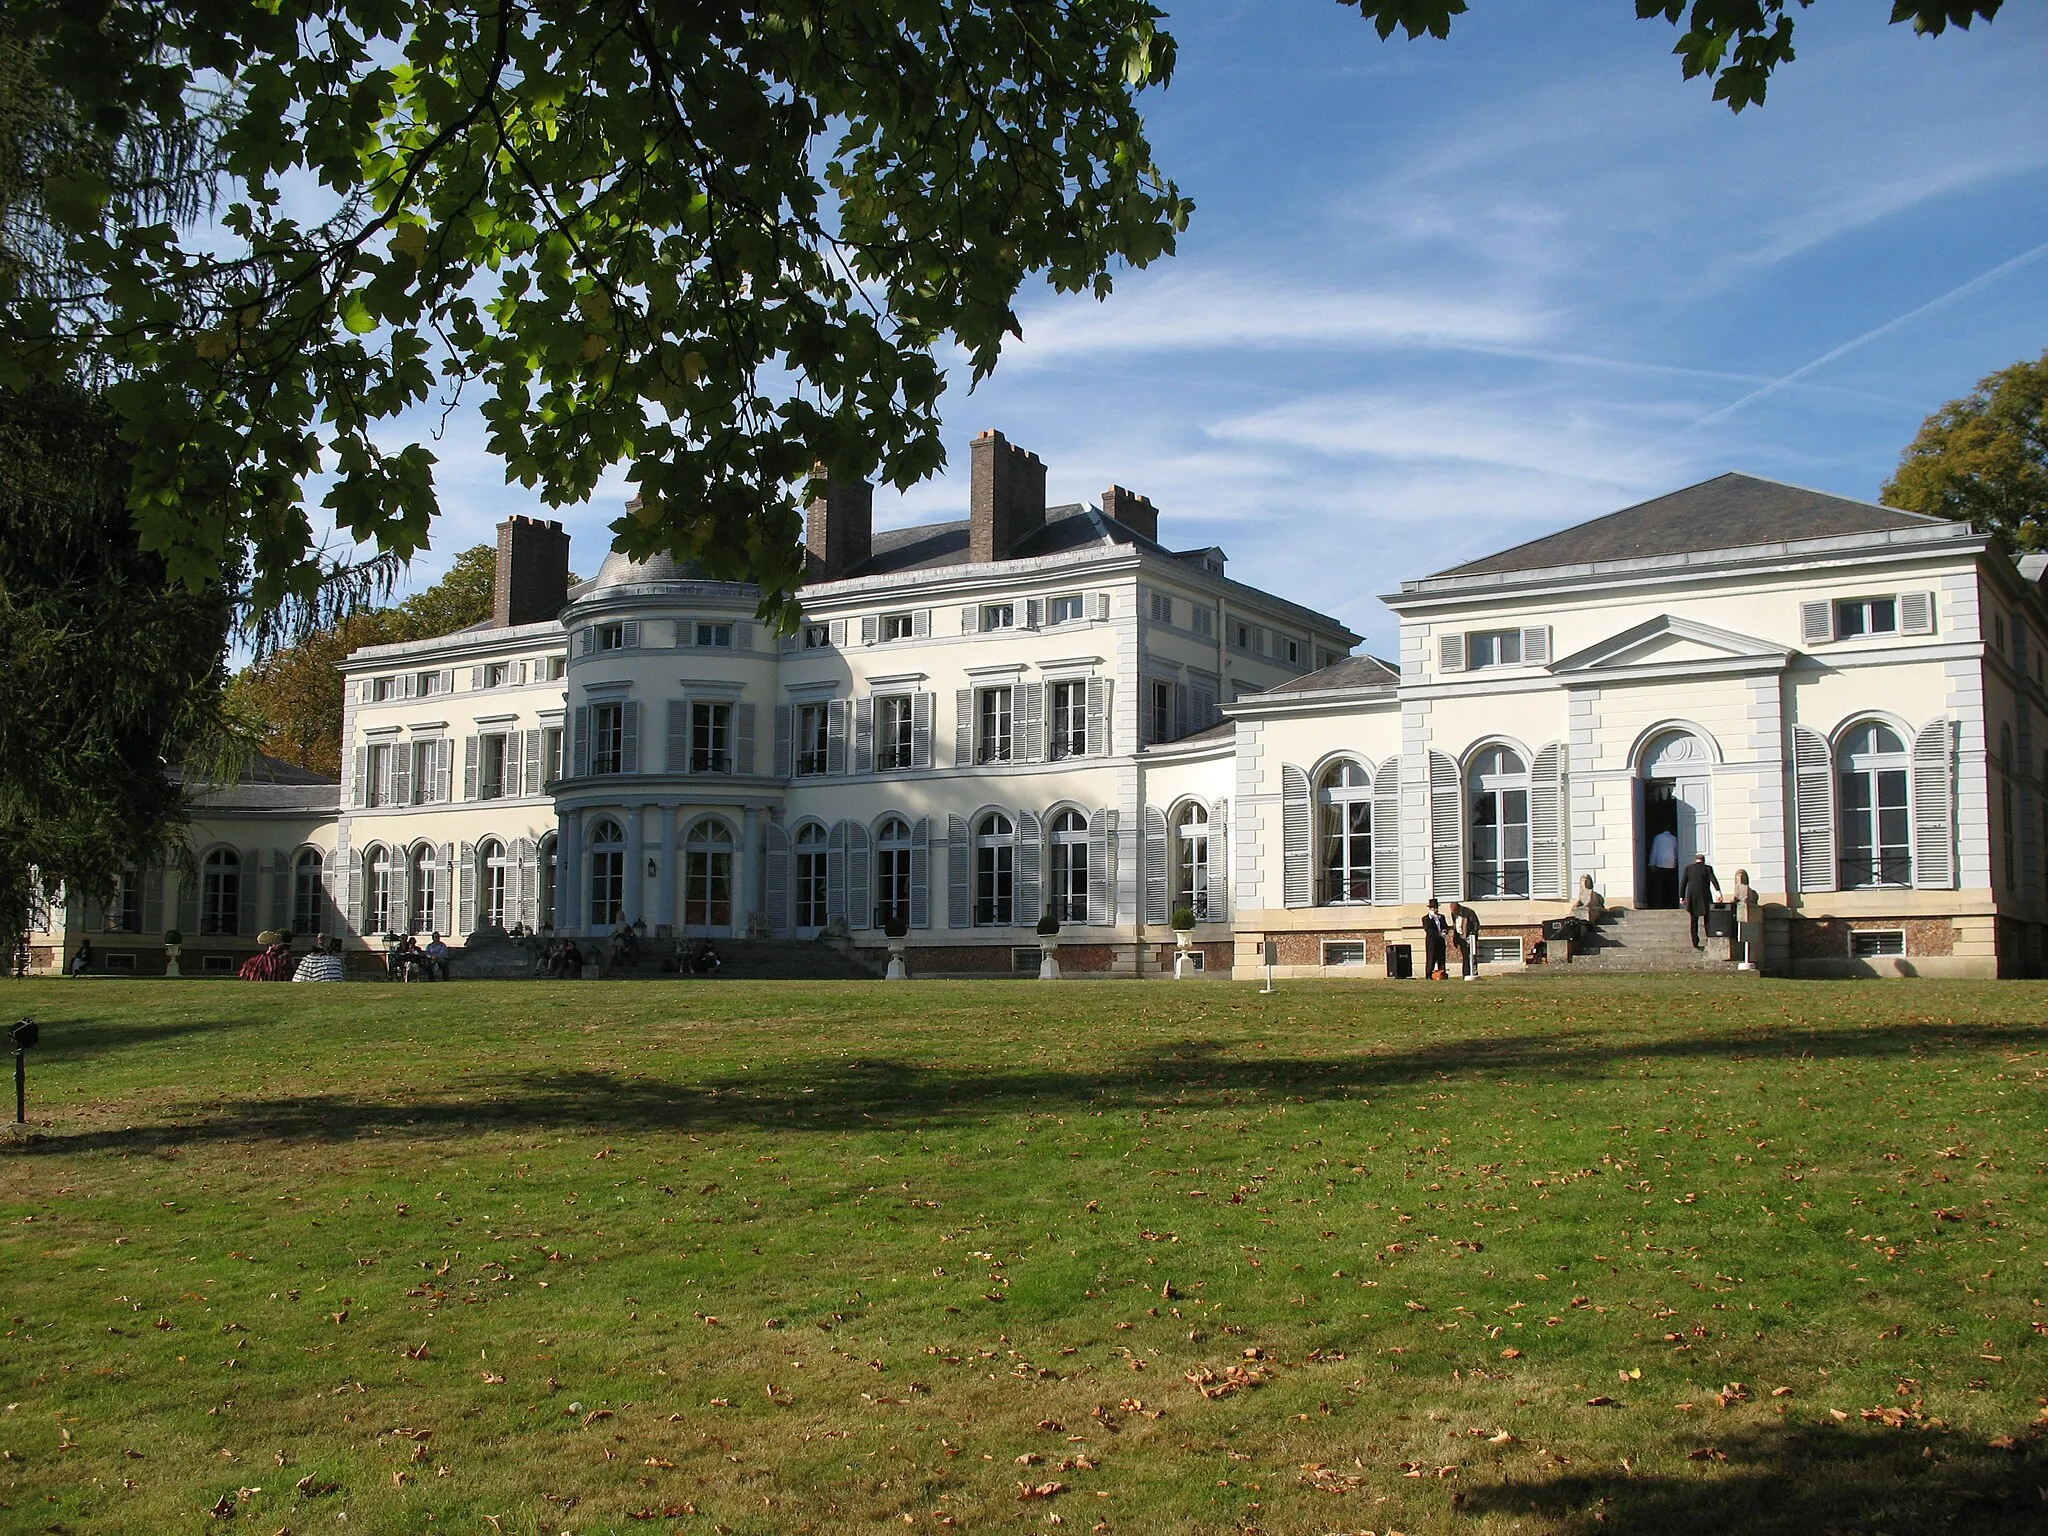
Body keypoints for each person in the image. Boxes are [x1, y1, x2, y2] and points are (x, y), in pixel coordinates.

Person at [1678, 852, 1721, 949]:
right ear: (1703, 860)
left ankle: (1695, 942)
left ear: (1696, 860)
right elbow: (1713, 879)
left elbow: (1683, 883)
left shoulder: (1688, 869)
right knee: (1708, 920)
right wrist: (1718, 891)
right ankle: (1709, 938)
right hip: (1705, 896)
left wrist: (1682, 897)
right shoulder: (1707, 868)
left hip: (1692, 897)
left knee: (1693, 921)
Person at [1730, 868, 1762, 971]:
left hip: (1744, 914)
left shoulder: (1741, 888)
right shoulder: (1743, 888)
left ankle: (1747, 959)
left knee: (1746, 936)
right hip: (1743, 914)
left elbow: (1736, 898)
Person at [1450, 901, 1482, 981]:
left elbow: (1476, 924)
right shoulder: (1453, 914)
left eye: (1455, 911)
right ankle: (1465, 974)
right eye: (1453, 911)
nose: (1454, 913)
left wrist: (1473, 934)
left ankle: (1473, 972)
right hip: (1460, 936)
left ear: (1458, 908)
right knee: (1465, 956)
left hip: (1469, 936)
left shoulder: (1468, 912)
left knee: (1472, 955)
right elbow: (1455, 925)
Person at [1648, 827, 1679, 908]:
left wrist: (1652, 864)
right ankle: (1673, 904)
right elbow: (1676, 851)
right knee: (1671, 886)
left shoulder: (1657, 837)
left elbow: (1654, 851)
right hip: (1671, 863)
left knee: (1659, 886)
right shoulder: (1674, 838)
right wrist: (1676, 862)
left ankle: (1658, 904)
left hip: (1660, 863)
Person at [1421, 898, 1449, 981]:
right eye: (1434, 908)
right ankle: (1429, 974)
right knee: (1431, 957)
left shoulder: (1441, 917)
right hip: (1432, 941)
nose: (1436, 909)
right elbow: (1428, 930)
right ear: (1430, 909)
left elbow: (1445, 926)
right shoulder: (1426, 918)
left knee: (1441, 957)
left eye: (1436, 907)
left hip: (1441, 940)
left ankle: (1442, 973)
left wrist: (1444, 931)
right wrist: (1438, 934)